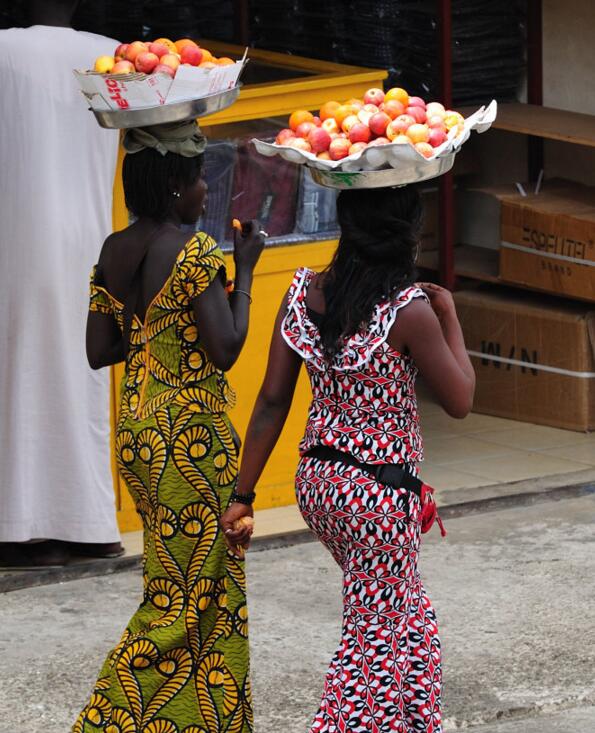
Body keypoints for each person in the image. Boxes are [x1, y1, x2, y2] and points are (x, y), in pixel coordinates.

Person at [222, 185, 475, 733]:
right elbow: (460, 400)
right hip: (377, 499)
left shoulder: (301, 293)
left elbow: (271, 402)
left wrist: (243, 496)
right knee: (376, 645)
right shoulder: (411, 311)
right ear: (407, 235)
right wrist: (450, 314)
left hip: (320, 485)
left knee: (408, 626)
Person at [74, 120, 264, 732]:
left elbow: (100, 349)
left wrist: (155, 337)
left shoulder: (113, 250)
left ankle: (200, 720)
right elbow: (228, 347)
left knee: (182, 582)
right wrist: (247, 271)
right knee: (184, 601)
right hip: (191, 443)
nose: (206, 194)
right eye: (197, 183)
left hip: (138, 433)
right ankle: (107, 720)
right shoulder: (195, 252)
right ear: (171, 187)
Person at [0, 0, 121, 567]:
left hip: (14, 239)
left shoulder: (4, 50)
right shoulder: (112, 56)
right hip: (88, 239)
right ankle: (88, 523)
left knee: (14, 377)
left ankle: (16, 524)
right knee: (81, 376)